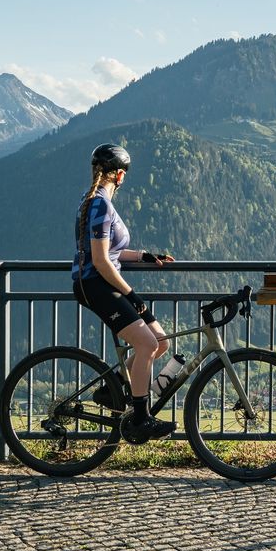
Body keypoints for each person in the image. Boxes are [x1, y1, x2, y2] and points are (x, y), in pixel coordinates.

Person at [71, 143, 177, 443]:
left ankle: (113, 388)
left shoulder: (94, 200)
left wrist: (144, 255)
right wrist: (132, 295)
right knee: (146, 344)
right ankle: (141, 419)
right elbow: (101, 261)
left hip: (104, 282)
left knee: (160, 342)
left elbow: (111, 252)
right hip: (96, 285)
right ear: (119, 175)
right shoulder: (99, 205)